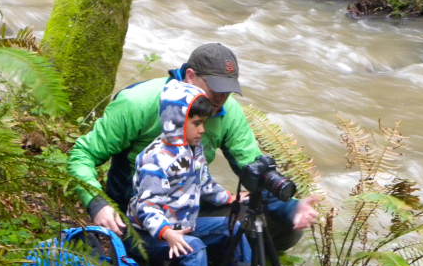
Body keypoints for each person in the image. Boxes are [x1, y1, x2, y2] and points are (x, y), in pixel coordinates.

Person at [67, 42, 318, 252]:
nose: (221, 98)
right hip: (138, 211)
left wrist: (290, 205)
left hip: (188, 206)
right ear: (190, 76)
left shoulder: (228, 113)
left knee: (281, 222)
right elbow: (82, 155)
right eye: (215, 89)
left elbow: (253, 168)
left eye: (228, 90)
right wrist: (97, 204)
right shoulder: (137, 103)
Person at [128, 79, 256, 266]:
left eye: (204, 123)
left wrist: (229, 198)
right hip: (149, 236)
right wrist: (167, 233)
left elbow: (204, 183)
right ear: (176, 122)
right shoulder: (155, 159)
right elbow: (146, 207)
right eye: (196, 123)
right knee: (193, 246)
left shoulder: (192, 150)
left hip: (182, 226)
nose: (202, 130)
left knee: (233, 227)